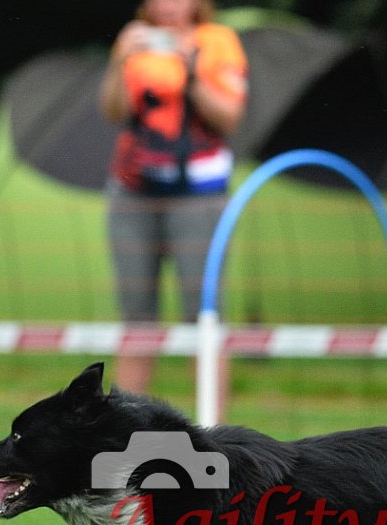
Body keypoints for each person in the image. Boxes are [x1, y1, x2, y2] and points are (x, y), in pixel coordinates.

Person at [99, 0, 247, 394]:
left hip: (199, 196)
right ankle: (126, 424)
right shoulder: (135, 40)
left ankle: (212, 424)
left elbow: (229, 117)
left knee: (203, 316)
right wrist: (118, 61)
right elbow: (113, 111)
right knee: (136, 319)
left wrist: (191, 69)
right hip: (134, 192)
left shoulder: (218, 41)